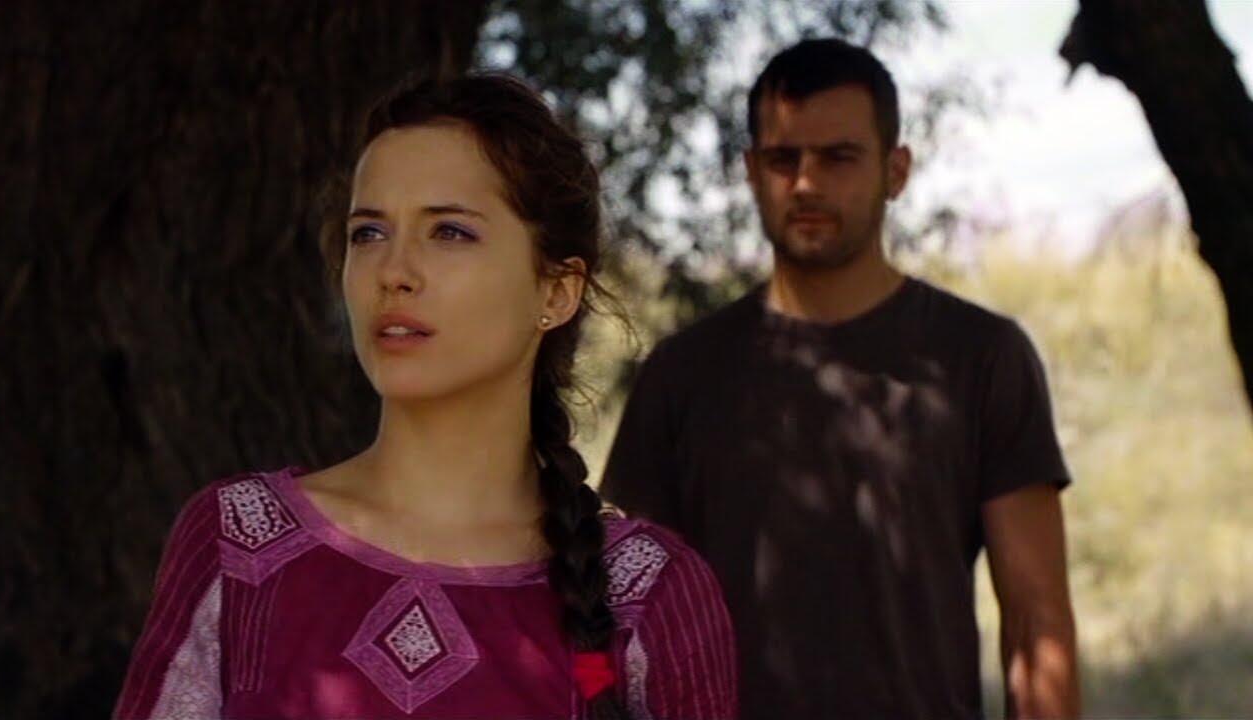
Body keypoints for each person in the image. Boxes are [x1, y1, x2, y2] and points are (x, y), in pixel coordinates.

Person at [113, 73, 737, 720]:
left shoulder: (646, 595)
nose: (394, 272)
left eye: (450, 232)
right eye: (368, 233)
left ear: (556, 292)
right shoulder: (238, 547)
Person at [601, 38, 1079, 720]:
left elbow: (1036, 624)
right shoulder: (681, 375)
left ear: (896, 170)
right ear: (751, 171)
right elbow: (623, 618)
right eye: (783, 159)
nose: (805, 183)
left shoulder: (982, 358)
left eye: (839, 157)